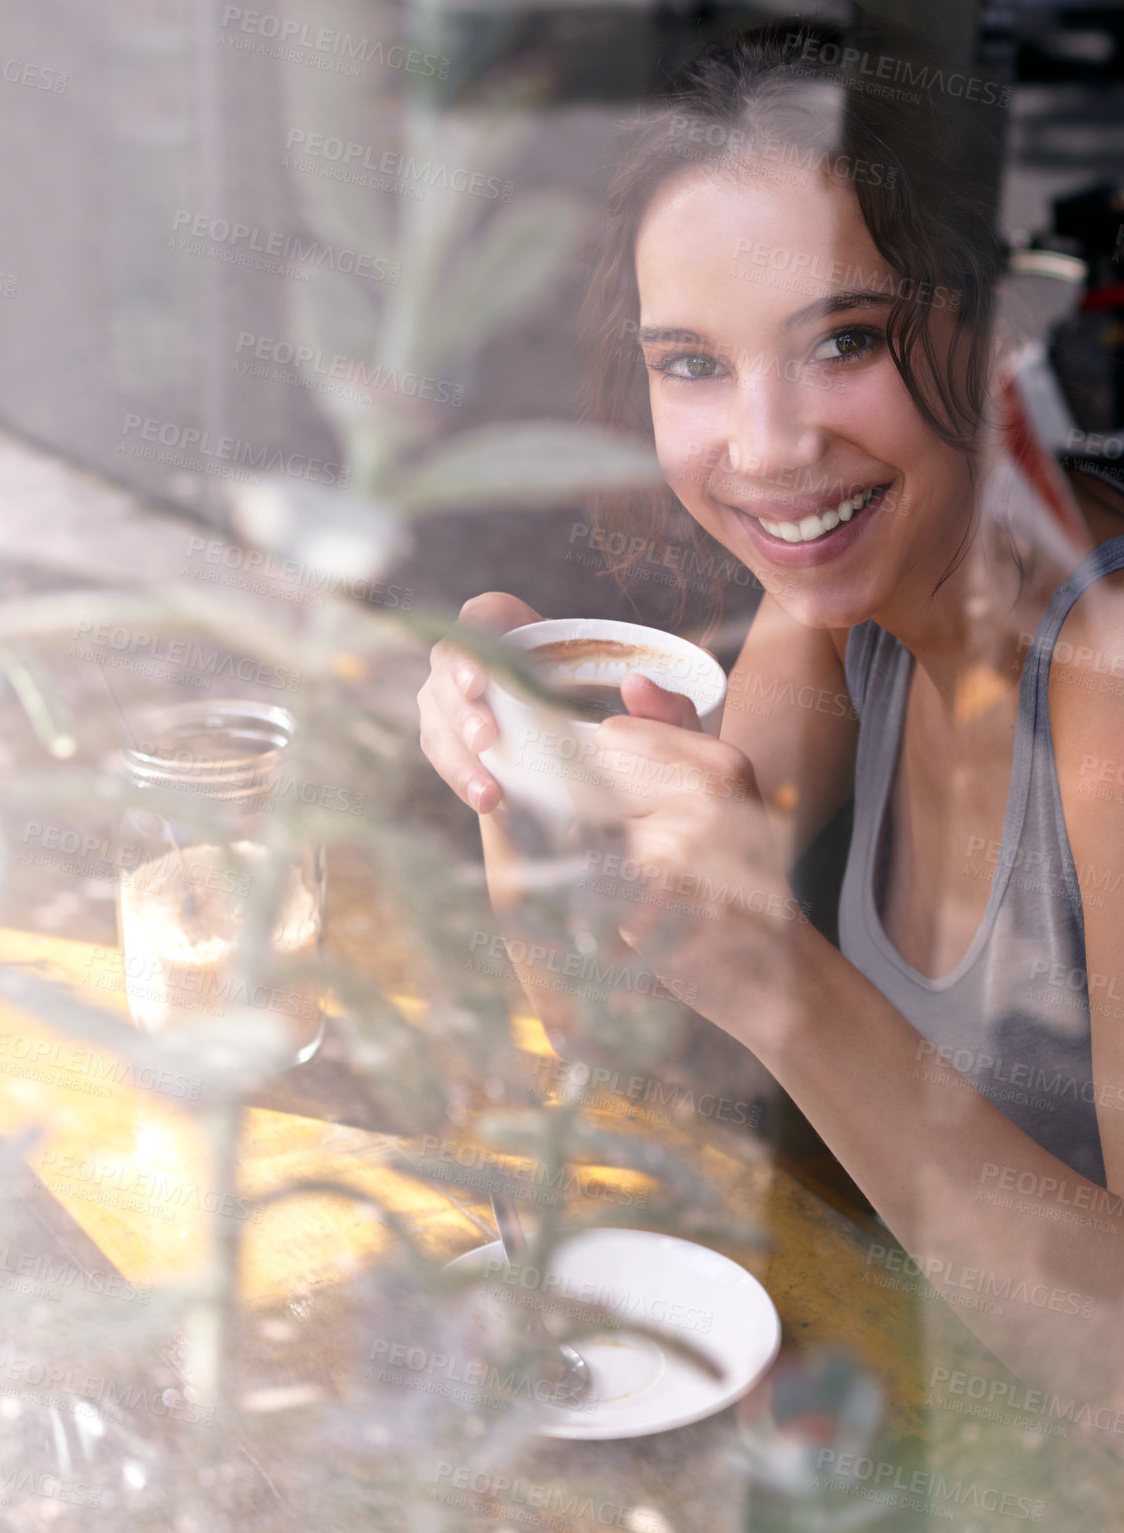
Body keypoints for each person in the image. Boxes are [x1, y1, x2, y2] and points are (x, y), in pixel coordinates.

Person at [417, 16, 1124, 1429]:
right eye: (693, 364)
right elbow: (633, 1051)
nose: (766, 445)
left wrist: (787, 979)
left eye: (843, 340)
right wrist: (527, 784)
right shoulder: (837, 610)